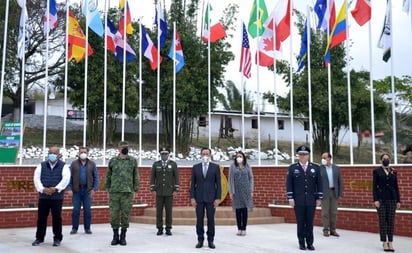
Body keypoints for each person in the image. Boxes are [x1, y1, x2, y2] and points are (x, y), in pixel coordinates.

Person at [32, 146, 71, 247]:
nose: (52, 155)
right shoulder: (41, 165)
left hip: (56, 197)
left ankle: (57, 238)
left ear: (58, 154)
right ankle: (39, 238)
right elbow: (36, 178)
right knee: (41, 218)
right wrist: (42, 189)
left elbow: (66, 179)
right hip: (43, 197)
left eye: (54, 153)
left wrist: (56, 188)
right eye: (50, 153)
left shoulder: (64, 166)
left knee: (57, 218)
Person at [286, 145, 323, 251]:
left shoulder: (315, 167)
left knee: (310, 222)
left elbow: (319, 183)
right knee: (301, 222)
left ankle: (310, 243)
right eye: (300, 154)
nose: (302, 156)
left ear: (308, 155)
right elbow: (289, 184)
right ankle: (301, 243)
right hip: (298, 200)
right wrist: (290, 198)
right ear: (298, 155)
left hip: (311, 200)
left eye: (305, 154)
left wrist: (319, 198)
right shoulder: (293, 168)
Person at [104, 141, 140, 246]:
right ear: (118, 148)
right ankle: (115, 236)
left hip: (127, 192)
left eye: (127, 147)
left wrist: (136, 189)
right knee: (114, 215)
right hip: (114, 192)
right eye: (123, 147)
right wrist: (107, 189)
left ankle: (123, 236)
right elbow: (108, 176)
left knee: (125, 215)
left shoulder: (132, 161)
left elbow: (136, 176)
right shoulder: (113, 161)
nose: (125, 149)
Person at [190, 147, 221, 249]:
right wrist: (192, 197)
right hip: (198, 198)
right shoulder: (196, 167)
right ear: (201, 155)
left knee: (211, 220)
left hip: (211, 198)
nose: (205, 156)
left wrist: (217, 198)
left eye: (207, 154)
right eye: (203, 154)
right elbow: (193, 184)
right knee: (199, 220)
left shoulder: (215, 167)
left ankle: (210, 240)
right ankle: (200, 239)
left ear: (210, 155)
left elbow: (218, 184)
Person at [68, 146, 99, 235]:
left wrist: (94, 189)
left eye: (84, 152)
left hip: (87, 190)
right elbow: (69, 177)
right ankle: (74, 228)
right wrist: (69, 188)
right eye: (81, 152)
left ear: (87, 153)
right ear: (78, 153)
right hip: (76, 190)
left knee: (87, 210)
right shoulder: (73, 164)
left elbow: (96, 177)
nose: (83, 154)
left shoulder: (92, 164)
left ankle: (87, 228)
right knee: (76, 210)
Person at [373, 153, 401, 252]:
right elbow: (374, 187)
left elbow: (396, 186)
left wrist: (398, 200)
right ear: (381, 160)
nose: (386, 160)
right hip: (381, 200)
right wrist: (375, 200)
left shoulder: (393, 171)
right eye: (384, 159)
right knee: (382, 221)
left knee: (391, 221)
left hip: (392, 199)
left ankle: (391, 242)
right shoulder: (377, 171)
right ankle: (384, 242)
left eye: (388, 159)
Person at [150, 147, 180, 236]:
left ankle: (168, 228)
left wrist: (176, 189)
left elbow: (176, 178)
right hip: (159, 191)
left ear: (168, 155)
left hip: (169, 192)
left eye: (165, 154)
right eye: (162, 154)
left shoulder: (173, 164)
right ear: (160, 155)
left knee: (168, 211)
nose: (164, 155)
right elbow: (152, 178)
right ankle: (159, 228)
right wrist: (152, 189)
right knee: (159, 211)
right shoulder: (156, 164)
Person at [228, 151, 254, 236]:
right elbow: (230, 179)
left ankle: (244, 228)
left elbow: (251, 178)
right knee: (238, 210)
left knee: (244, 210)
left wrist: (251, 190)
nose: (239, 158)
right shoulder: (232, 166)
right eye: (237, 156)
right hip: (236, 191)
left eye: (240, 156)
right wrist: (231, 191)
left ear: (243, 157)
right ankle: (239, 228)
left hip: (246, 190)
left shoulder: (247, 166)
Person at [320, 152, 343, 237]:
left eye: (324, 157)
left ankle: (333, 230)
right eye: (322, 157)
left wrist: (340, 193)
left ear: (329, 158)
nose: (323, 159)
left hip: (334, 192)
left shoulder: (336, 168)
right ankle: (326, 230)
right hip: (325, 192)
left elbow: (340, 181)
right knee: (325, 212)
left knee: (333, 212)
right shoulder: (320, 168)